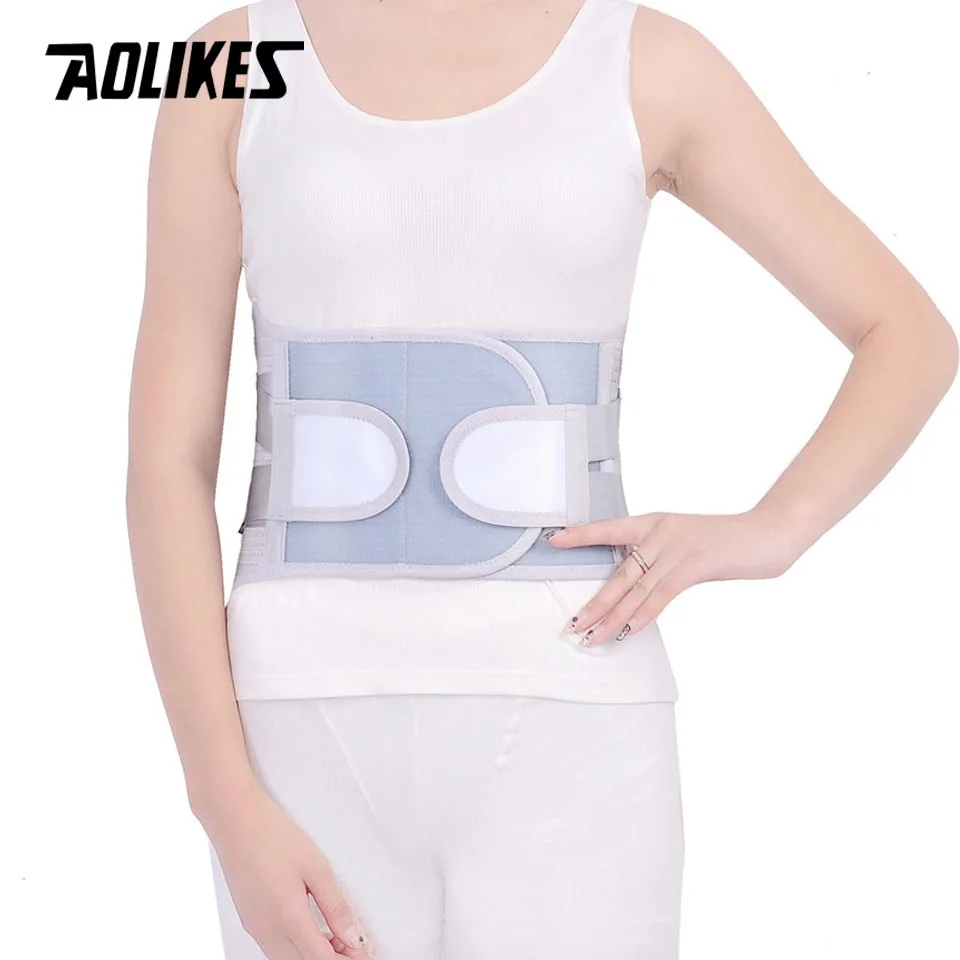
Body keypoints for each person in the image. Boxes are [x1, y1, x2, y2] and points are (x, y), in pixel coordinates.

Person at [125, 1, 957, 958]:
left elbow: (907, 334)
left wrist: (775, 529)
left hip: (573, 707)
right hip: (297, 721)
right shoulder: (228, 63)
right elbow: (168, 461)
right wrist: (223, 800)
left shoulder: (645, 59)